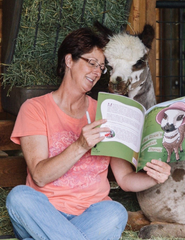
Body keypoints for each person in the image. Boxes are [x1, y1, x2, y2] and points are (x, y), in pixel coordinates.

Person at [6, 27, 171, 240]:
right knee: (19, 198)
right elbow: (39, 176)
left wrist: (155, 178)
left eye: (102, 67)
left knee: (116, 212)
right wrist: (80, 145)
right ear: (68, 60)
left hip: (92, 216)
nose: (96, 72)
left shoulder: (107, 111)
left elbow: (125, 179)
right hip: (43, 215)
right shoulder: (35, 108)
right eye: (91, 63)